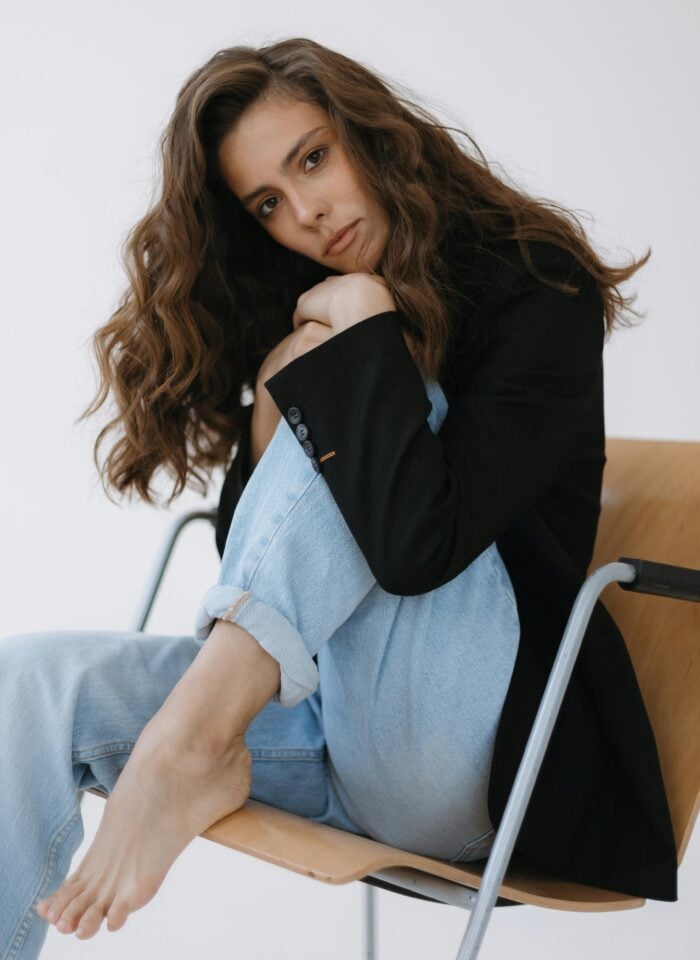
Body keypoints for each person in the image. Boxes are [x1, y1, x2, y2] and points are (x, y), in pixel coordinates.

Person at [0, 35, 677, 956]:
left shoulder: (536, 287)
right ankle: (196, 745)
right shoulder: (317, 310)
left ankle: (189, 746)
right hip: (327, 733)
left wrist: (359, 342)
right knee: (30, 685)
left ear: (377, 137)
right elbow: (258, 563)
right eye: (269, 204)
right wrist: (276, 400)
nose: (308, 214)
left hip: (471, 765)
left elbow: (417, 550)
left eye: (314, 158)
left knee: (389, 396)